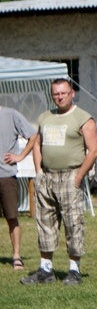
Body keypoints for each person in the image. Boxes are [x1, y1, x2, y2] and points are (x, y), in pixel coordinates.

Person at [20, 78, 97, 285]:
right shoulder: (45, 117)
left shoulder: (83, 118)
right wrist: (38, 172)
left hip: (70, 176)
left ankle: (74, 271)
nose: (60, 97)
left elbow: (93, 151)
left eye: (63, 93)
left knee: (73, 223)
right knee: (45, 223)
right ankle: (45, 270)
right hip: (47, 176)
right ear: (51, 95)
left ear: (72, 93)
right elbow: (37, 144)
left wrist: (79, 176)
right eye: (56, 94)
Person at [0, 105, 37, 271]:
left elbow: (33, 135)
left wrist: (20, 156)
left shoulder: (11, 114)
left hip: (6, 175)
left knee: (11, 216)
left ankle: (16, 256)